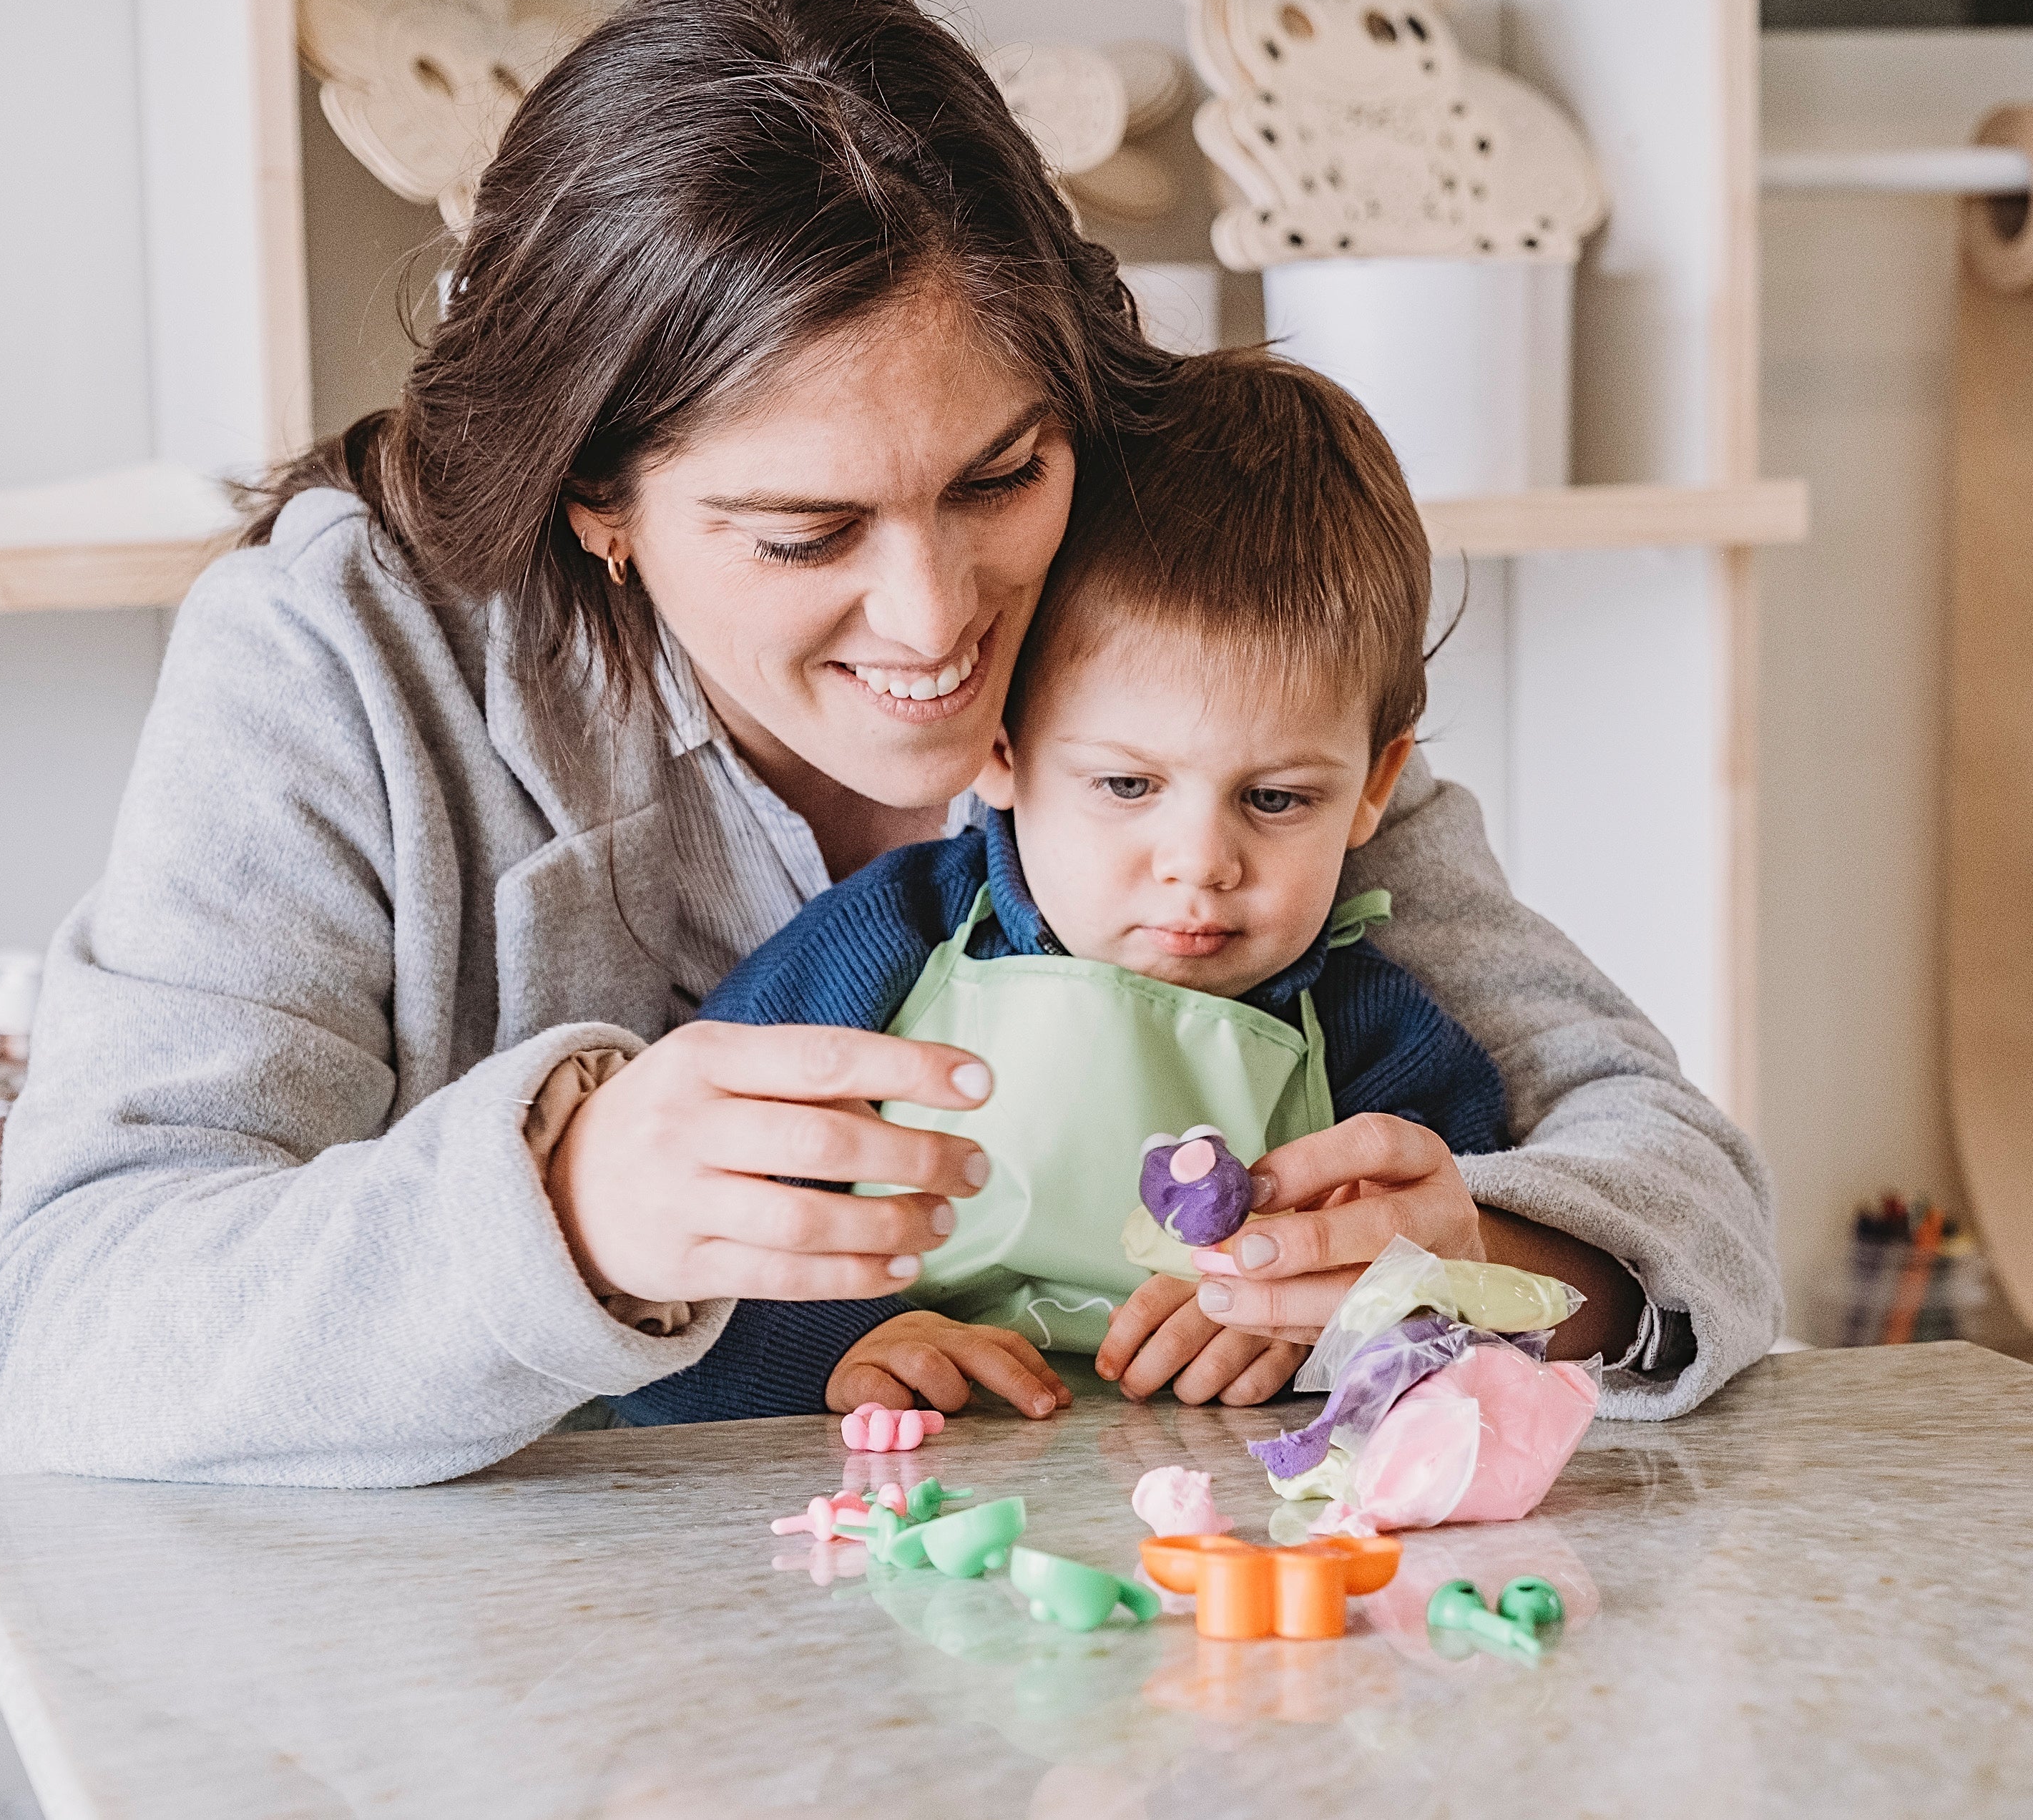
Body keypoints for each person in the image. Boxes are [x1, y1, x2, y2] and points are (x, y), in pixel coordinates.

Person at [0, 0, 1778, 1490]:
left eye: (994, 475)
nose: (935, 620)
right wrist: (559, 1213)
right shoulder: (345, 656)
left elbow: (1679, 1180)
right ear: (596, 497)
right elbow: (56, 1340)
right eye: (801, 530)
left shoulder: (1160, 591)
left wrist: (1479, 1251)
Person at [618, 349, 1511, 1427]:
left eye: (1276, 801)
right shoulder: (882, 945)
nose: (1200, 863)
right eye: (1127, 785)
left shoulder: (1386, 1045)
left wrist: (1329, 1326)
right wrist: (842, 1351)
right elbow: (687, 1241)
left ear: (1374, 786)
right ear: (998, 750)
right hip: (901, 1509)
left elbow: (1472, 1314)